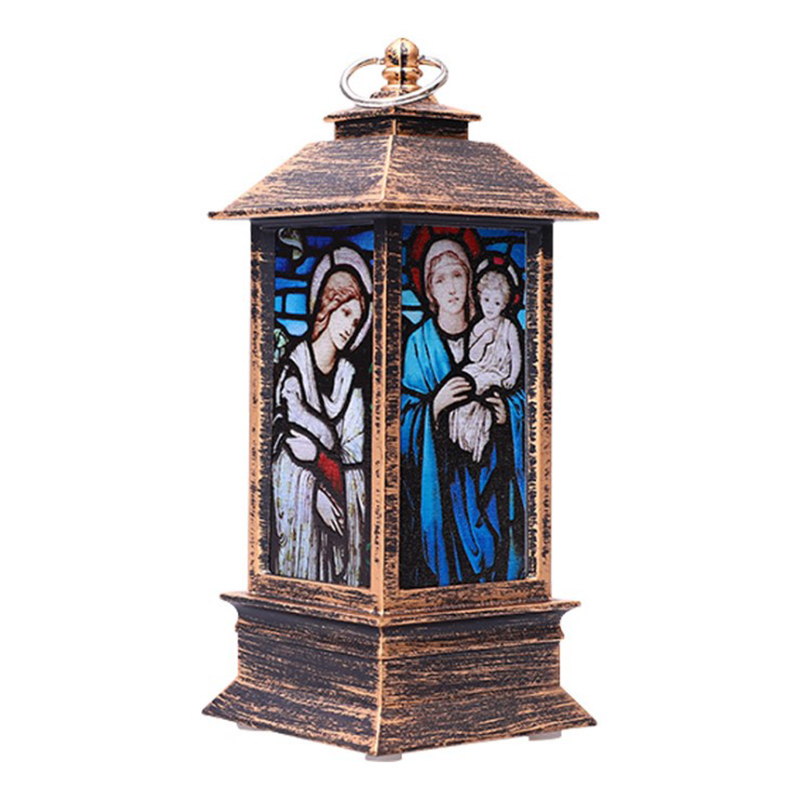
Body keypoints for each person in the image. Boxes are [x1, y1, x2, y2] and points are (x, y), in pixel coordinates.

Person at [400, 239, 526, 588]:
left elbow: (526, 399)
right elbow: (399, 423)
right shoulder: (418, 344)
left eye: (458, 275)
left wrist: (506, 413)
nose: (452, 287)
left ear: (471, 280)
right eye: (440, 280)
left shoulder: (498, 330)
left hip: (488, 485)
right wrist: (435, 406)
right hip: (439, 490)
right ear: (428, 289)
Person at [272, 247, 371, 586]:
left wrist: (317, 453)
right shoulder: (292, 373)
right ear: (326, 308)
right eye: (346, 313)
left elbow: (356, 462)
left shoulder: (349, 380)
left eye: (357, 321)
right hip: (301, 525)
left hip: (342, 517)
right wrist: (312, 494)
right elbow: (277, 456)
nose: (350, 327)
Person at [449, 265, 522, 462]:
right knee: (464, 387)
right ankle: (464, 433)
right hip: (479, 368)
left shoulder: (509, 327)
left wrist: (512, 377)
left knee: (479, 393)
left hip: (498, 372)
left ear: (504, 305)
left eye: (496, 302)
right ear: (480, 298)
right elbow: (473, 357)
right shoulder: (478, 326)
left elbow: (516, 355)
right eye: (487, 300)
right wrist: (483, 340)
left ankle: (478, 436)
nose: (490, 306)